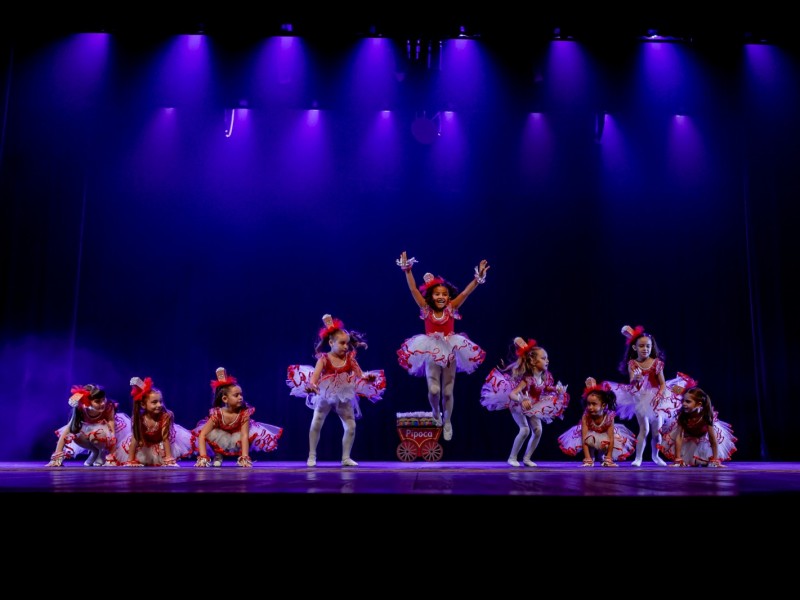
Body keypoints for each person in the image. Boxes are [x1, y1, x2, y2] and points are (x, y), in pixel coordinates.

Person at [396, 250, 489, 441]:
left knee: (447, 392)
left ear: (448, 297)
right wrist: (408, 270)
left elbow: (465, 292)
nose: (441, 297)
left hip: (450, 348)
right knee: (434, 390)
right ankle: (435, 411)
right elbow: (413, 290)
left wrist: (477, 278)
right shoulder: (425, 308)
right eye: (437, 294)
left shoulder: (451, 307)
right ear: (431, 296)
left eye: (444, 294)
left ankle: (448, 421)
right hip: (430, 348)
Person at [287, 314, 386, 467]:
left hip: (344, 394)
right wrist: (311, 386)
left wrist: (369, 378)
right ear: (331, 343)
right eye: (342, 343)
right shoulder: (324, 359)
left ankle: (346, 458)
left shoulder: (350, 359)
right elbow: (314, 379)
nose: (346, 347)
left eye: (347, 343)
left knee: (351, 426)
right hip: (326, 393)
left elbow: (360, 375)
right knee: (317, 421)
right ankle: (312, 456)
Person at [480, 337, 569, 466]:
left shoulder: (545, 377)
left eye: (547, 358)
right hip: (518, 404)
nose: (547, 360)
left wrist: (556, 389)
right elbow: (512, 394)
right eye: (543, 358)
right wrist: (521, 400)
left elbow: (545, 388)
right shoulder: (527, 379)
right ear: (533, 361)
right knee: (525, 430)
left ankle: (527, 458)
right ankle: (512, 458)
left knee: (538, 430)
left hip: (533, 404)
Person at [599, 325, 679, 467]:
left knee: (656, 432)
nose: (645, 349)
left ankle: (655, 456)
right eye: (641, 346)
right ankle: (638, 458)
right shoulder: (633, 363)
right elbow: (632, 382)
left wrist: (659, 396)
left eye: (648, 346)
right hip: (639, 397)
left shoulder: (657, 363)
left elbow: (662, 384)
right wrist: (636, 379)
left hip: (657, 399)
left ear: (652, 347)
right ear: (634, 348)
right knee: (644, 429)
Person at [192, 367, 283, 468]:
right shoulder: (217, 414)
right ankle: (218, 455)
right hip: (220, 435)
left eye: (241, 394)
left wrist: (245, 457)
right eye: (236, 395)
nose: (241, 397)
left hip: (237, 435)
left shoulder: (244, 413)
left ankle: (241, 457)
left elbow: (244, 435)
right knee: (211, 434)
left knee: (248, 436)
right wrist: (203, 457)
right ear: (225, 399)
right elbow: (202, 435)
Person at [658, 373, 737, 467]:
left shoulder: (706, 416)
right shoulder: (683, 415)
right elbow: (679, 437)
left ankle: (706, 460)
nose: (684, 404)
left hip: (704, 438)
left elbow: (712, 438)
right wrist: (677, 459)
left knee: (705, 460)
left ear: (699, 404)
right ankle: (692, 460)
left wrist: (715, 460)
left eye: (688, 401)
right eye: (683, 401)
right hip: (689, 436)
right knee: (691, 461)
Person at [45, 383, 131, 467]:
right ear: (87, 403)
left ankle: (102, 453)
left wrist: (112, 452)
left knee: (97, 435)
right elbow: (66, 433)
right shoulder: (81, 410)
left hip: (105, 429)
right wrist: (56, 458)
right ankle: (94, 451)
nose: (102, 403)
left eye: (103, 399)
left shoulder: (108, 406)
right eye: (97, 401)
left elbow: (111, 422)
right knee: (75, 435)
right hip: (89, 428)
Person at [557, 378, 637, 467]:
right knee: (588, 437)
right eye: (588, 404)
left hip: (603, 435)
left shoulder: (609, 417)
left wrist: (609, 458)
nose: (590, 407)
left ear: (603, 405)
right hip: (589, 435)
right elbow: (584, 438)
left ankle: (602, 455)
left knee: (615, 438)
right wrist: (588, 458)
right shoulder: (586, 416)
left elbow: (611, 439)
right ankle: (591, 456)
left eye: (594, 404)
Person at [121, 376, 194, 466]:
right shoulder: (139, 419)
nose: (159, 405)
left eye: (160, 401)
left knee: (163, 450)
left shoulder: (165, 416)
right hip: (145, 444)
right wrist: (130, 460)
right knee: (135, 444)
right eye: (154, 402)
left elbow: (165, 437)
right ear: (143, 405)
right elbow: (135, 439)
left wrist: (169, 459)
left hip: (160, 443)